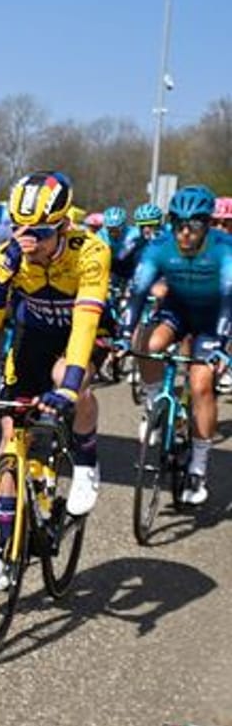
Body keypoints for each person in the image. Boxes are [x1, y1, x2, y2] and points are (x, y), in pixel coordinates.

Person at [0, 172, 108, 592]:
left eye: (40, 234)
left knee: (69, 379)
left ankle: (86, 462)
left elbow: (85, 325)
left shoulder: (91, 252)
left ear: (65, 226)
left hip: (80, 336)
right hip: (31, 339)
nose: (28, 241)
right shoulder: (9, 255)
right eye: (20, 230)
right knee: (10, 441)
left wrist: (67, 387)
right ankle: (4, 543)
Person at [121, 185, 232, 505]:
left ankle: (198, 466)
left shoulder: (224, 249)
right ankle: (155, 401)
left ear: (207, 224)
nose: (184, 233)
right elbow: (138, 291)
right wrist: (123, 332)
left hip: (213, 320)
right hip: (178, 311)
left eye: (193, 225)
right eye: (177, 223)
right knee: (147, 342)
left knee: (200, 386)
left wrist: (223, 347)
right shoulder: (160, 246)